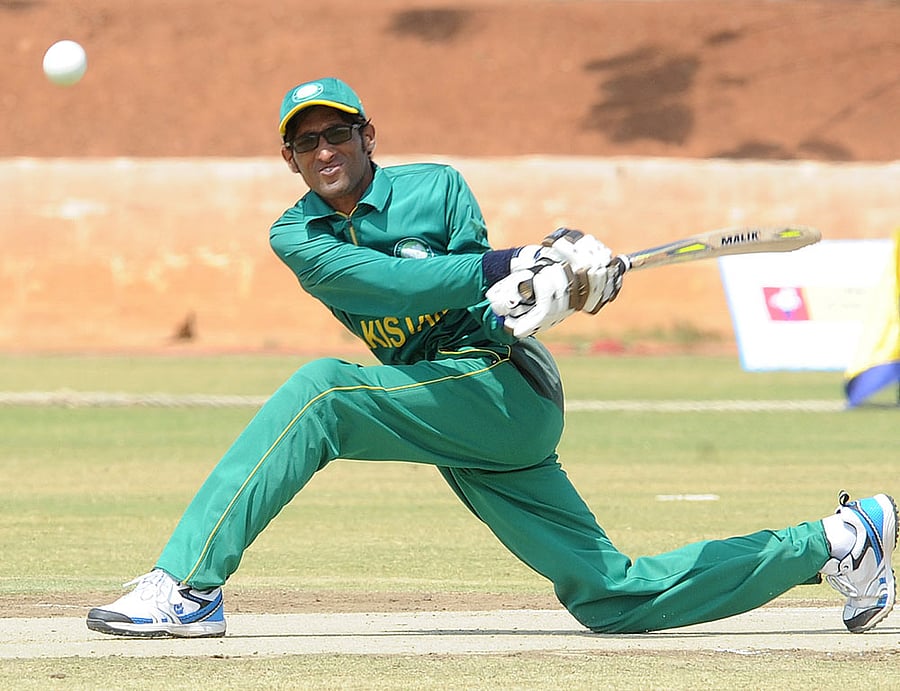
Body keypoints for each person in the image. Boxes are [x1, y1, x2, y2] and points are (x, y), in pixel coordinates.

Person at [85, 77, 896, 638]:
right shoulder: (298, 235)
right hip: (451, 412)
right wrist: (512, 262)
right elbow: (390, 286)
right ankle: (839, 540)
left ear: (369, 136)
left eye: (338, 132)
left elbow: (490, 304)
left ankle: (188, 588)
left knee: (322, 393)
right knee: (612, 595)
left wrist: (564, 284)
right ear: (289, 161)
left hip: (500, 385)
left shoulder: (437, 187)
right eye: (306, 143)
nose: (324, 150)